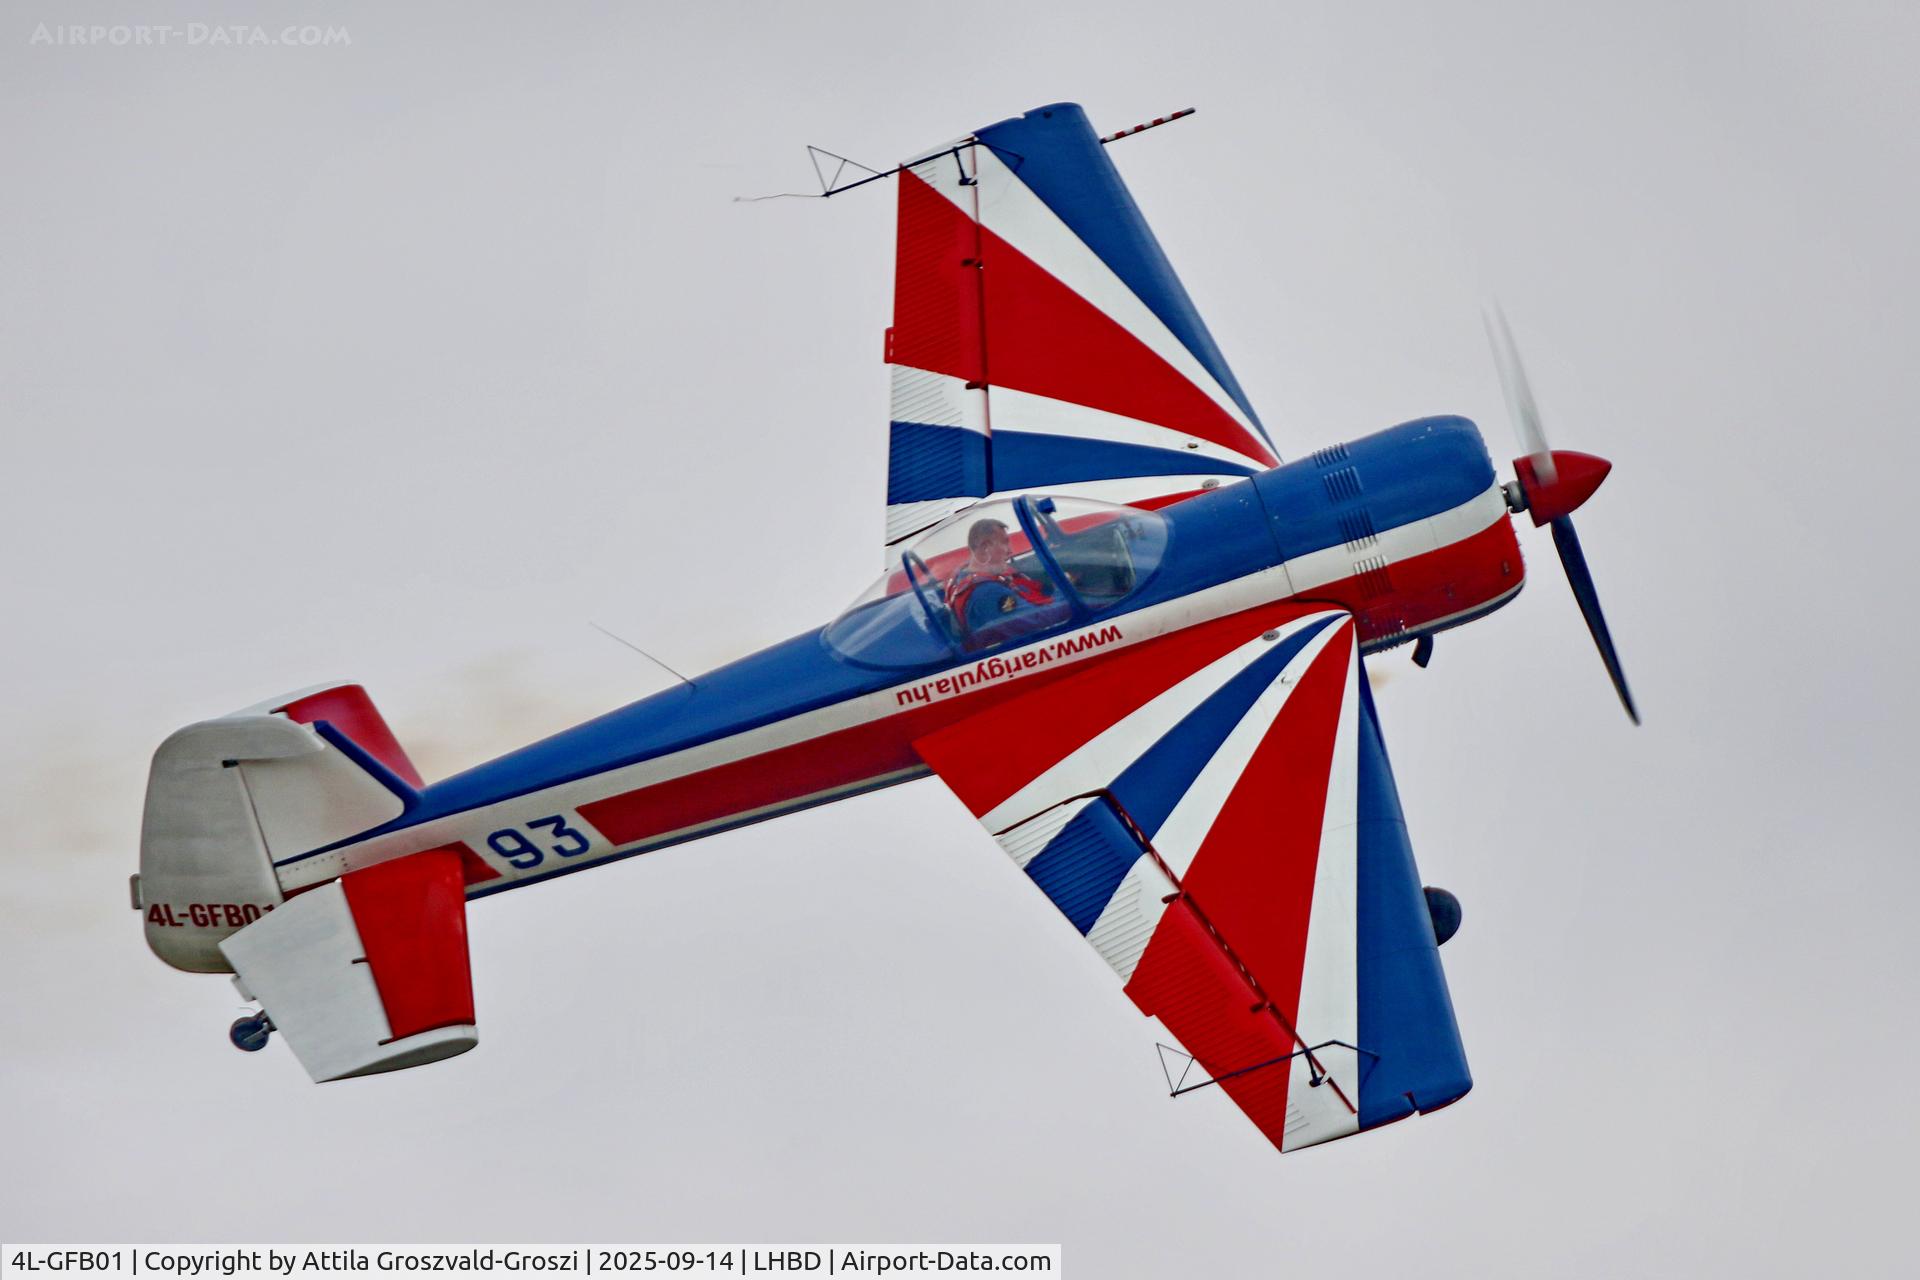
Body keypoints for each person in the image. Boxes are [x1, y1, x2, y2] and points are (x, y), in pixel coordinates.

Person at [945, 518, 1054, 636]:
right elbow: (1036, 622)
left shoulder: (967, 574)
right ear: (984, 548)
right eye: (1004, 543)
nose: (1010, 551)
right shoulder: (988, 592)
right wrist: (1067, 597)